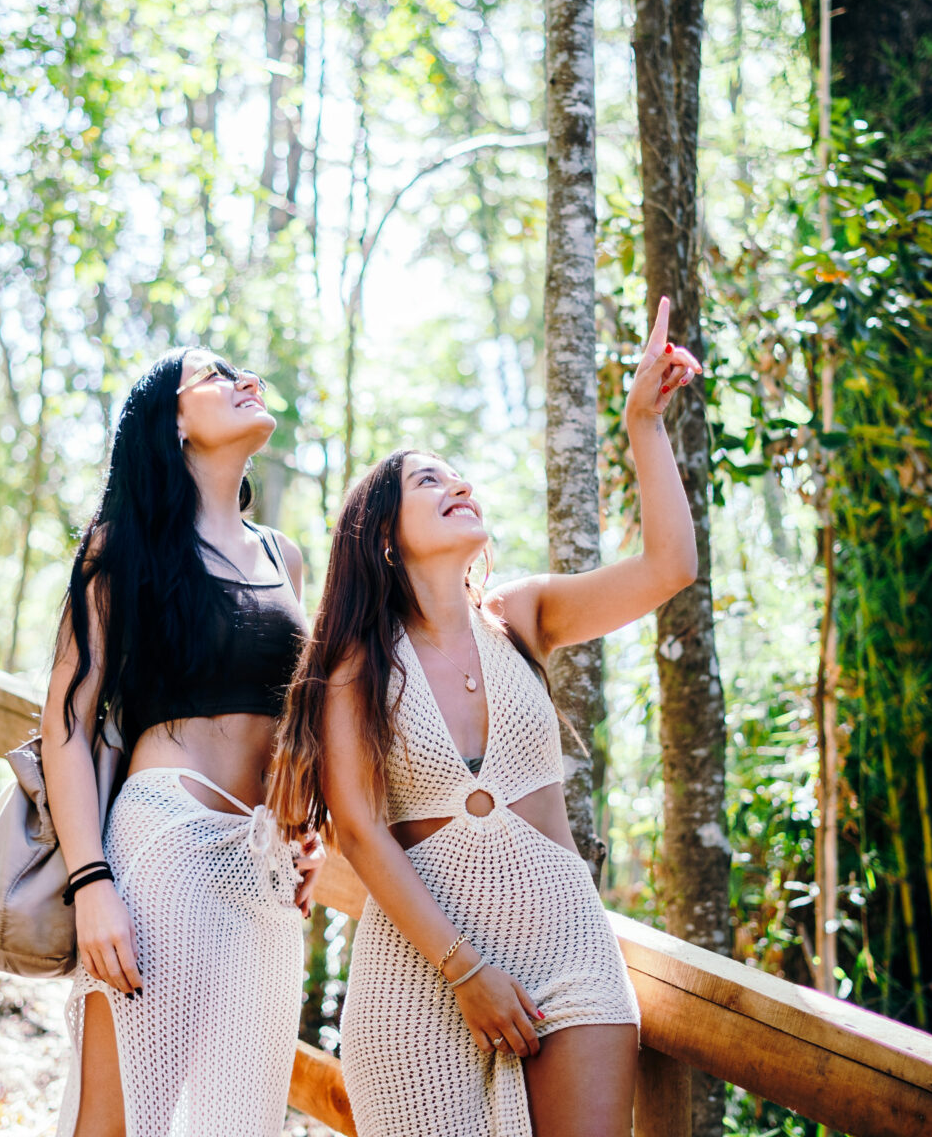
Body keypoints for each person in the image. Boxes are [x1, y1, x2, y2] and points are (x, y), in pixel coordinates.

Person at [270, 297, 702, 1136]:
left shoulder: (523, 617)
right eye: (427, 480)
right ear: (384, 537)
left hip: (567, 943)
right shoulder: (358, 664)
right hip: (423, 971)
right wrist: (467, 970)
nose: (457, 484)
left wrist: (643, 424)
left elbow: (669, 565)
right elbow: (357, 831)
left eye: (457, 473)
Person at [43, 349, 322, 1137]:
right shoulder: (120, 549)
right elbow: (64, 723)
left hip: (261, 868)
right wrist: (91, 882)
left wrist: (308, 835)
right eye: (216, 374)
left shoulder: (284, 558)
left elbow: (294, 729)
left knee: (238, 1122)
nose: (246, 380)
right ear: (171, 420)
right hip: (161, 848)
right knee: (121, 1116)